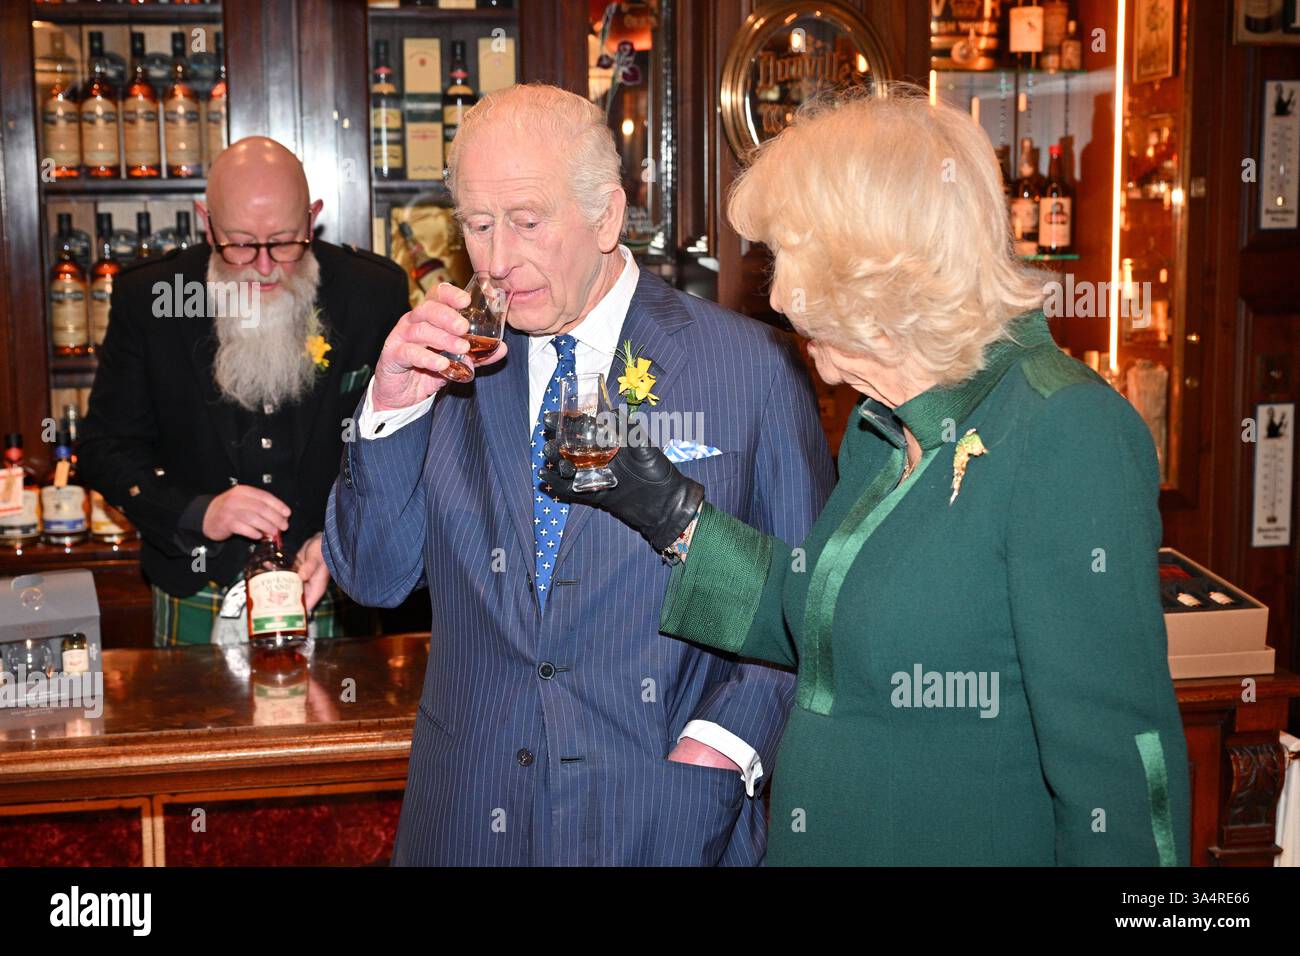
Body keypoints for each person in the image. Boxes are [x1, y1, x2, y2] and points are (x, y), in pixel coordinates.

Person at [542, 85, 1192, 866]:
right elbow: (823, 620)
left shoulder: (1063, 433)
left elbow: (1122, 776)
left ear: (874, 265)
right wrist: (674, 514)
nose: (775, 294)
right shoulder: (883, 426)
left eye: (787, 256)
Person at [322, 84, 834, 866]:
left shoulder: (750, 369)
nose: (495, 262)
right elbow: (375, 579)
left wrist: (724, 747)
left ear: (606, 216)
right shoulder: (445, 361)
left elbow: (807, 604)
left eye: (526, 223)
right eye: (477, 225)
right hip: (468, 822)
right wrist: (388, 409)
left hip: (666, 820)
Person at [79, 137, 406, 646]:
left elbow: (407, 447)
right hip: (196, 582)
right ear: (205, 221)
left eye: (284, 241)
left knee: (342, 728)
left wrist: (345, 534)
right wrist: (197, 511)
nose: (264, 266)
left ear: (313, 217)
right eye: (239, 244)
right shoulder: (152, 298)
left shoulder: (372, 292)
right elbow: (104, 449)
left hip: (332, 582)